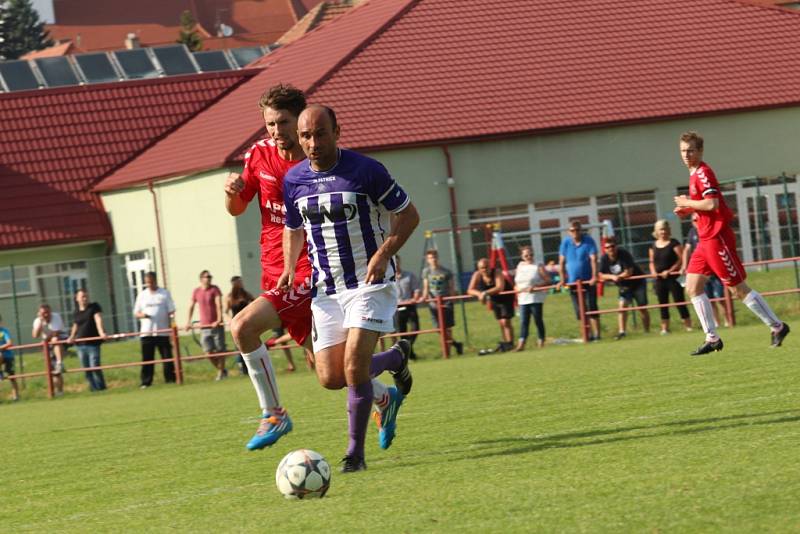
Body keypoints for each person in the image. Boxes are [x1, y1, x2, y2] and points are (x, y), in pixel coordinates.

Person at [225, 85, 408, 453]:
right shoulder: (258, 155)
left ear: (301, 122)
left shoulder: (314, 163)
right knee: (332, 374)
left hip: (310, 272)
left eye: (283, 123)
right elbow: (237, 208)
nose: (275, 132)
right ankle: (385, 391)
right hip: (274, 269)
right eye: (269, 124)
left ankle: (273, 413)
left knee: (242, 326)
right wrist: (231, 192)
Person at [281, 104, 419, 473]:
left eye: (319, 133)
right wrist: (289, 267)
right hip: (326, 292)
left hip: (369, 285)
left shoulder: (366, 170)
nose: (312, 142)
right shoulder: (294, 179)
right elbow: (293, 228)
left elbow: (408, 214)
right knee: (331, 377)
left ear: (337, 131)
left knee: (355, 369)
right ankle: (394, 360)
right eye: (305, 136)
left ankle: (354, 455)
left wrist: (384, 253)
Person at [674, 130, 790, 354]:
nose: (686, 155)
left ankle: (778, 326)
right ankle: (712, 338)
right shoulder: (694, 173)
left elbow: (712, 204)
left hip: (717, 239)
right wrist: (687, 209)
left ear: (700, 151)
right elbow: (704, 206)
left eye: (690, 150)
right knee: (692, 287)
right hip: (704, 240)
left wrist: (688, 201)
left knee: (738, 289)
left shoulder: (703, 173)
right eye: (683, 151)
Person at [598, 237, 651, 339]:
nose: (610, 249)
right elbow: (600, 275)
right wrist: (612, 277)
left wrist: (619, 277)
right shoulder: (604, 258)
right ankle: (622, 332)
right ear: (604, 249)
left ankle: (647, 331)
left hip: (638, 283)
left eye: (612, 246)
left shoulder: (624, 254)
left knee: (642, 308)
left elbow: (629, 271)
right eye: (607, 247)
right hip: (624, 285)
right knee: (622, 306)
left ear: (616, 246)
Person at [682, 215, 728, 328]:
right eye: (693, 220)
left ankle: (728, 320)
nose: (695, 222)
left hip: (714, 271)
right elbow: (687, 249)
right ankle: (716, 322)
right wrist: (684, 266)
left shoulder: (709, 230)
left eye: (697, 219)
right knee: (709, 298)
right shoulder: (692, 232)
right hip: (702, 272)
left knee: (721, 297)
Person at [557, 221, 600, 341]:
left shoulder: (588, 241)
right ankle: (587, 335)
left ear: (581, 230)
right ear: (568, 232)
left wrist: (594, 276)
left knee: (592, 307)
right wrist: (562, 279)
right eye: (572, 230)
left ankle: (597, 335)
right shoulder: (566, 242)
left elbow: (594, 259)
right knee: (580, 311)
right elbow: (561, 262)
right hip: (573, 283)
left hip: (587, 281)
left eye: (577, 230)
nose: (575, 232)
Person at [648, 219, 692, 335]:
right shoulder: (653, 245)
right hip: (659, 280)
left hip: (673, 278)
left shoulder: (674, 243)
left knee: (679, 301)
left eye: (665, 229)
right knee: (662, 303)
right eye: (661, 229)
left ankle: (688, 326)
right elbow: (651, 261)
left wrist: (670, 270)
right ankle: (665, 328)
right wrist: (653, 272)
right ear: (657, 231)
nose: (663, 232)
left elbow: (681, 258)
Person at [133, 271, 176, 388]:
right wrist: (144, 315)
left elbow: (171, 311)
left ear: (155, 281)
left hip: (162, 332)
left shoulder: (164, 294)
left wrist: (172, 325)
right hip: (147, 333)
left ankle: (170, 379)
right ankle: (146, 382)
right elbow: (136, 313)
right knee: (147, 359)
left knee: (167, 357)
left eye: (151, 282)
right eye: (147, 282)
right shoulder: (142, 295)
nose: (149, 284)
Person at [186, 270, 228, 380]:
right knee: (208, 352)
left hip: (216, 326)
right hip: (204, 326)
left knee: (220, 350)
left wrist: (218, 320)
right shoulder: (196, 291)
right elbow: (191, 306)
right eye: (206, 277)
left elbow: (219, 305)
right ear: (201, 279)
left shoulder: (215, 289)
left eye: (210, 276)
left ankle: (220, 374)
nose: (209, 278)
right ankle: (222, 370)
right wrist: (188, 322)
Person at [467, 257, 515, 354]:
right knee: (501, 322)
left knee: (506, 321)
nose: (485, 270)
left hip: (506, 297)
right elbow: (469, 290)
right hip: (494, 299)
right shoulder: (477, 275)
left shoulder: (497, 272)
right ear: (479, 269)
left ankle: (510, 343)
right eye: (482, 268)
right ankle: (506, 343)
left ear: (490, 266)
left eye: (486, 267)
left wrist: (485, 293)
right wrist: (479, 294)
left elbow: (499, 287)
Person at [420, 249, 464, 354]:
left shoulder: (446, 271)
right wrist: (424, 297)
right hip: (433, 304)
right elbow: (426, 287)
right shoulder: (426, 272)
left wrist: (452, 298)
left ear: (437, 257)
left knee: (447, 328)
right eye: (430, 258)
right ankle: (456, 344)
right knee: (438, 328)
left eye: (434, 257)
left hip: (446, 302)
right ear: (427, 260)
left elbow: (451, 287)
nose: (433, 259)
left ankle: (447, 352)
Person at [67, 289, 107, 391]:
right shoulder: (76, 311)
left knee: (94, 366)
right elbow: (76, 324)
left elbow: (98, 319)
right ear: (77, 299)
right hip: (80, 345)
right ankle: (93, 388)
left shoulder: (94, 307)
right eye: (82, 297)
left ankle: (101, 387)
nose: (85, 298)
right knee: (86, 369)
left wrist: (101, 332)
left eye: (86, 296)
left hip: (93, 343)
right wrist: (72, 336)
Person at [513, 246, 550, 350]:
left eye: (531, 255)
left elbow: (548, 280)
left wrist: (536, 287)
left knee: (538, 320)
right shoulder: (520, 265)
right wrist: (516, 288)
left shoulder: (538, 266)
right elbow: (516, 281)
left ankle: (541, 341)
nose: (529, 257)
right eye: (526, 255)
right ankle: (521, 343)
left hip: (535, 297)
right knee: (524, 321)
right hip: (522, 298)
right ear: (522, 256)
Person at [31, 304, 65, 395]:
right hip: (47, 344)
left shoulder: (56, 317)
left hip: (60, 339)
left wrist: (45, 340)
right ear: (39, 313)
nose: (46, 315)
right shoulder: (37, 321)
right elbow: (35, 335)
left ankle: (60, 362)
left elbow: (55, 333)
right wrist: (41, 323)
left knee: (55, 340)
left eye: (47, 312)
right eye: (43, 313)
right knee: (51, 370)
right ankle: (53, 391)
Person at [225, 275, 254, 375]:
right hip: (237, 325)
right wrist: (230, 320)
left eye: (241, 282)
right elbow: (226, 311)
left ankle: (251, 367)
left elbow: (254, 303)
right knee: (239, 347)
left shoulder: (246, 295)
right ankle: (242, 367)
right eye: (238, 282)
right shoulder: (230, 297)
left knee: (250, 345)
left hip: (247, 323)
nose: (241, 284)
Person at [394, 255, 421, 360]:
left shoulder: (410, 275)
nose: (395, 264)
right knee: (402, 333)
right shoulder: (388, 280)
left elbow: (417, 290)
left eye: (397, 261)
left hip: (410, 306)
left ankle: (408, 350)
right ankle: (410, 355)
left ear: (399, 262)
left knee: (415, 329)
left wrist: (415, 298)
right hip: (397, 309)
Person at [0, 314, 20, 402]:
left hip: (8, 356)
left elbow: (9, 343)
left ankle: (16, 396)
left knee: (12, 376)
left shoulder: (4, 331)